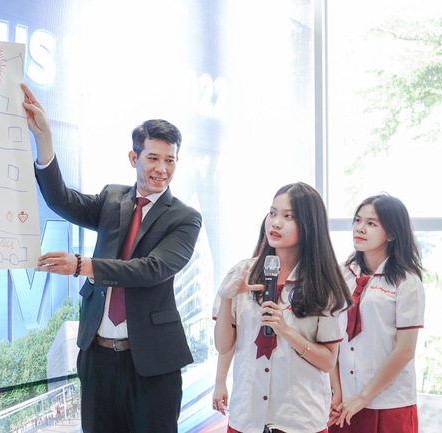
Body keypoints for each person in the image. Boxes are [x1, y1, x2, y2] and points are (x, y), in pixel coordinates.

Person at [21, 83, 202, 433]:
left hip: (152, 363)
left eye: (170, 160)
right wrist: (44, 141)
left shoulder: (185, 217)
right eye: (153, 158)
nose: (162, 169)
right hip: (98, 357)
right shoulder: (112, 199)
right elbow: (62, 200)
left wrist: (82, 265)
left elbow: (152, 269)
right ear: (134, 158)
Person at [212, 182, 352, 433]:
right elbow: (223, 346)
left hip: (299, 418)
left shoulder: (324, 285)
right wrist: (226, 299)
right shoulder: (242, 272)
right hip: (247, 415)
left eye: (288, 216)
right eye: (272, 213)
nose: (275, 223)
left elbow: (328, 361)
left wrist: (286, 331)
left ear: (309, 224)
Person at [328, 194, 424, 433]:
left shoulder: (406, 281)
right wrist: (336, 390)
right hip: (343, 404)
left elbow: (405, 350)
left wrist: (363, 397)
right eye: (357, 220)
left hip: (389, 403)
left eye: (371, 223)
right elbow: (329, 336)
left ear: (391, 233)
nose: (360, 228)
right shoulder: (340, 274)